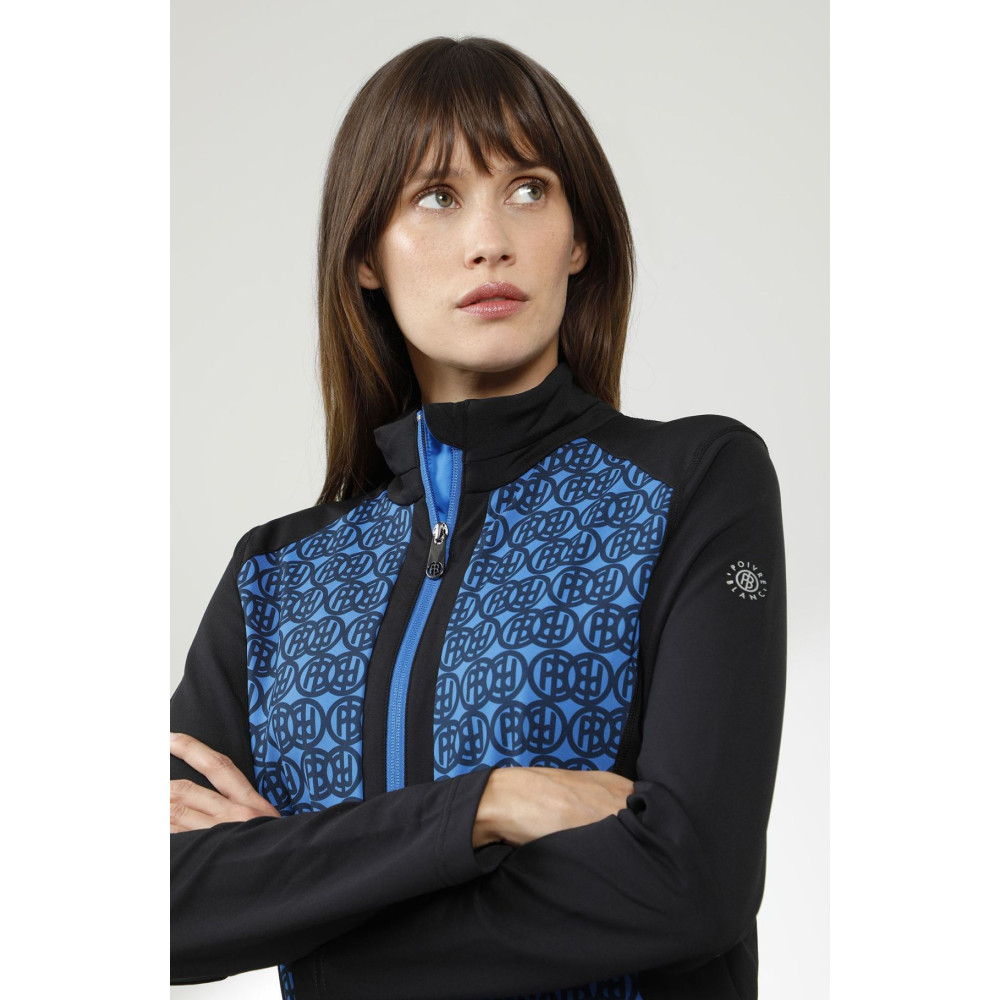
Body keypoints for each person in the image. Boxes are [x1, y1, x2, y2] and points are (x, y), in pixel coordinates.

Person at [170, 35, 786, 1000]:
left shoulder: (694, 484)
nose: (490, 239)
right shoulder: (277, 579)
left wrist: (299, 906)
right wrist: (489, 805)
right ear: (365, 257)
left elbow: (691, 881)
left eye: (529, 189)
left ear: (579, 238)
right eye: (436, 196)